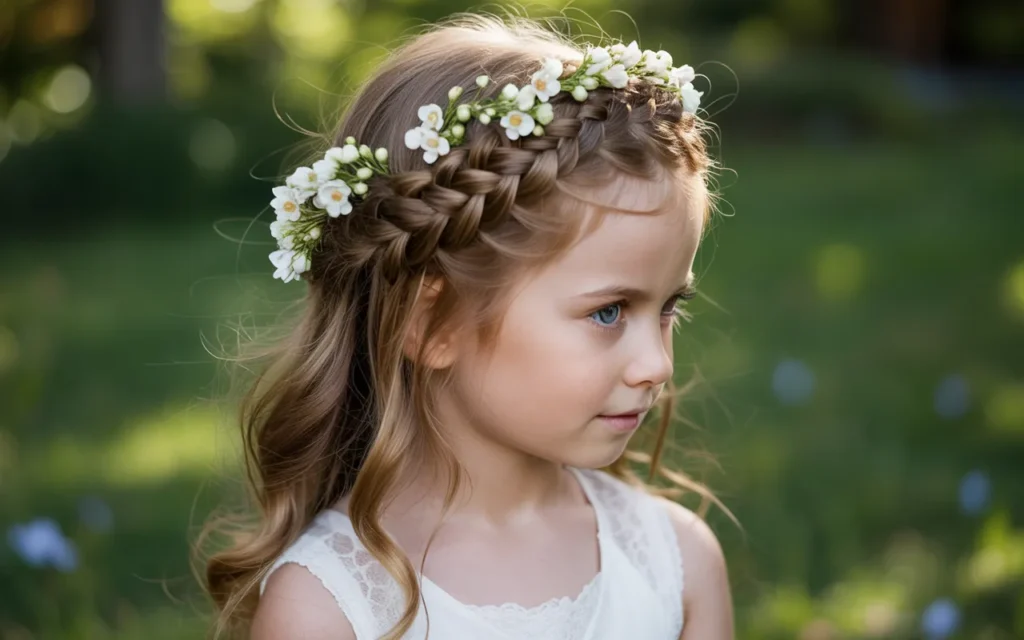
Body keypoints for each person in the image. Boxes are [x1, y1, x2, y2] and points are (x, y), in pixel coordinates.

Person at [201, 11, 735, 640]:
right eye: (608, 312)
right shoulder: (331, 607)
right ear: (432, 325)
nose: (658, 366)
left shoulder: (673, 563)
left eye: (669, 307)